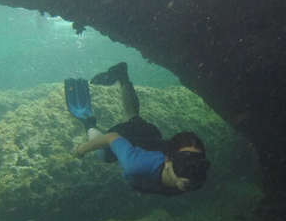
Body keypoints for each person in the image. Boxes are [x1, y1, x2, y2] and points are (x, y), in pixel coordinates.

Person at [64, 62, 210, 196]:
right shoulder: (137, 166)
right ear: (167, 160)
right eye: (183, 165)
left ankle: (123, 77)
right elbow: (111, 137)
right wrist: (80, 150)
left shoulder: (196, 179)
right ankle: (89, 123)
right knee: (105, 155)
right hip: (133, 136)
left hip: (151, 136)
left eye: (197, 166)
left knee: (132, 115)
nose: (190, 176)